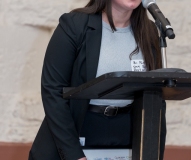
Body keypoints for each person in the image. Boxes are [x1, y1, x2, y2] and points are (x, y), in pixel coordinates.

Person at [29, 0, 167, 160]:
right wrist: (74, 155)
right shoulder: (75, 25)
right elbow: (52, 91)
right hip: (76, 132)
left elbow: (156, 99)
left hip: (125, 137)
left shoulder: (149, 31)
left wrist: (153, 153)